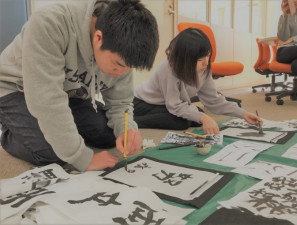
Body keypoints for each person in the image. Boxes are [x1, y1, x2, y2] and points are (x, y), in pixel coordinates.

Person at [0, 0, 159, 172]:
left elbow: (121, 103)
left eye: (129, 68)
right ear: (98, 38)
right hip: (16, 88)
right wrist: (82, 158)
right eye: (118, 65)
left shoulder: (122, 51)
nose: (122, 73)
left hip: (69, 93)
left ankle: (53, 128)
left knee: (107, 135)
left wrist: (127, 129)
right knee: (52, 152)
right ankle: (10, 132)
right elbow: (46, 100)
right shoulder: (50, 23)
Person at [134, 28, 261, 134]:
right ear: (185, 58)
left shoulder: (204, 69)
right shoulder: (168, 67)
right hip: (143, 103)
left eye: (208, 56)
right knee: (181, 122)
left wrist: (243, 114)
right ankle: (132, 121)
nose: (206, 62)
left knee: (197, 115)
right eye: (200, 59)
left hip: (166, 104)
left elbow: (213, 100)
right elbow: (175, 105)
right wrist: (203, 118)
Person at [276, 0, 297, 78]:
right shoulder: (283, 17)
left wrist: (293, 39)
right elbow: (283, 37)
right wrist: (285, 16)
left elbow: (288, 39)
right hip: (284, 51)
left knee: (296, 65)